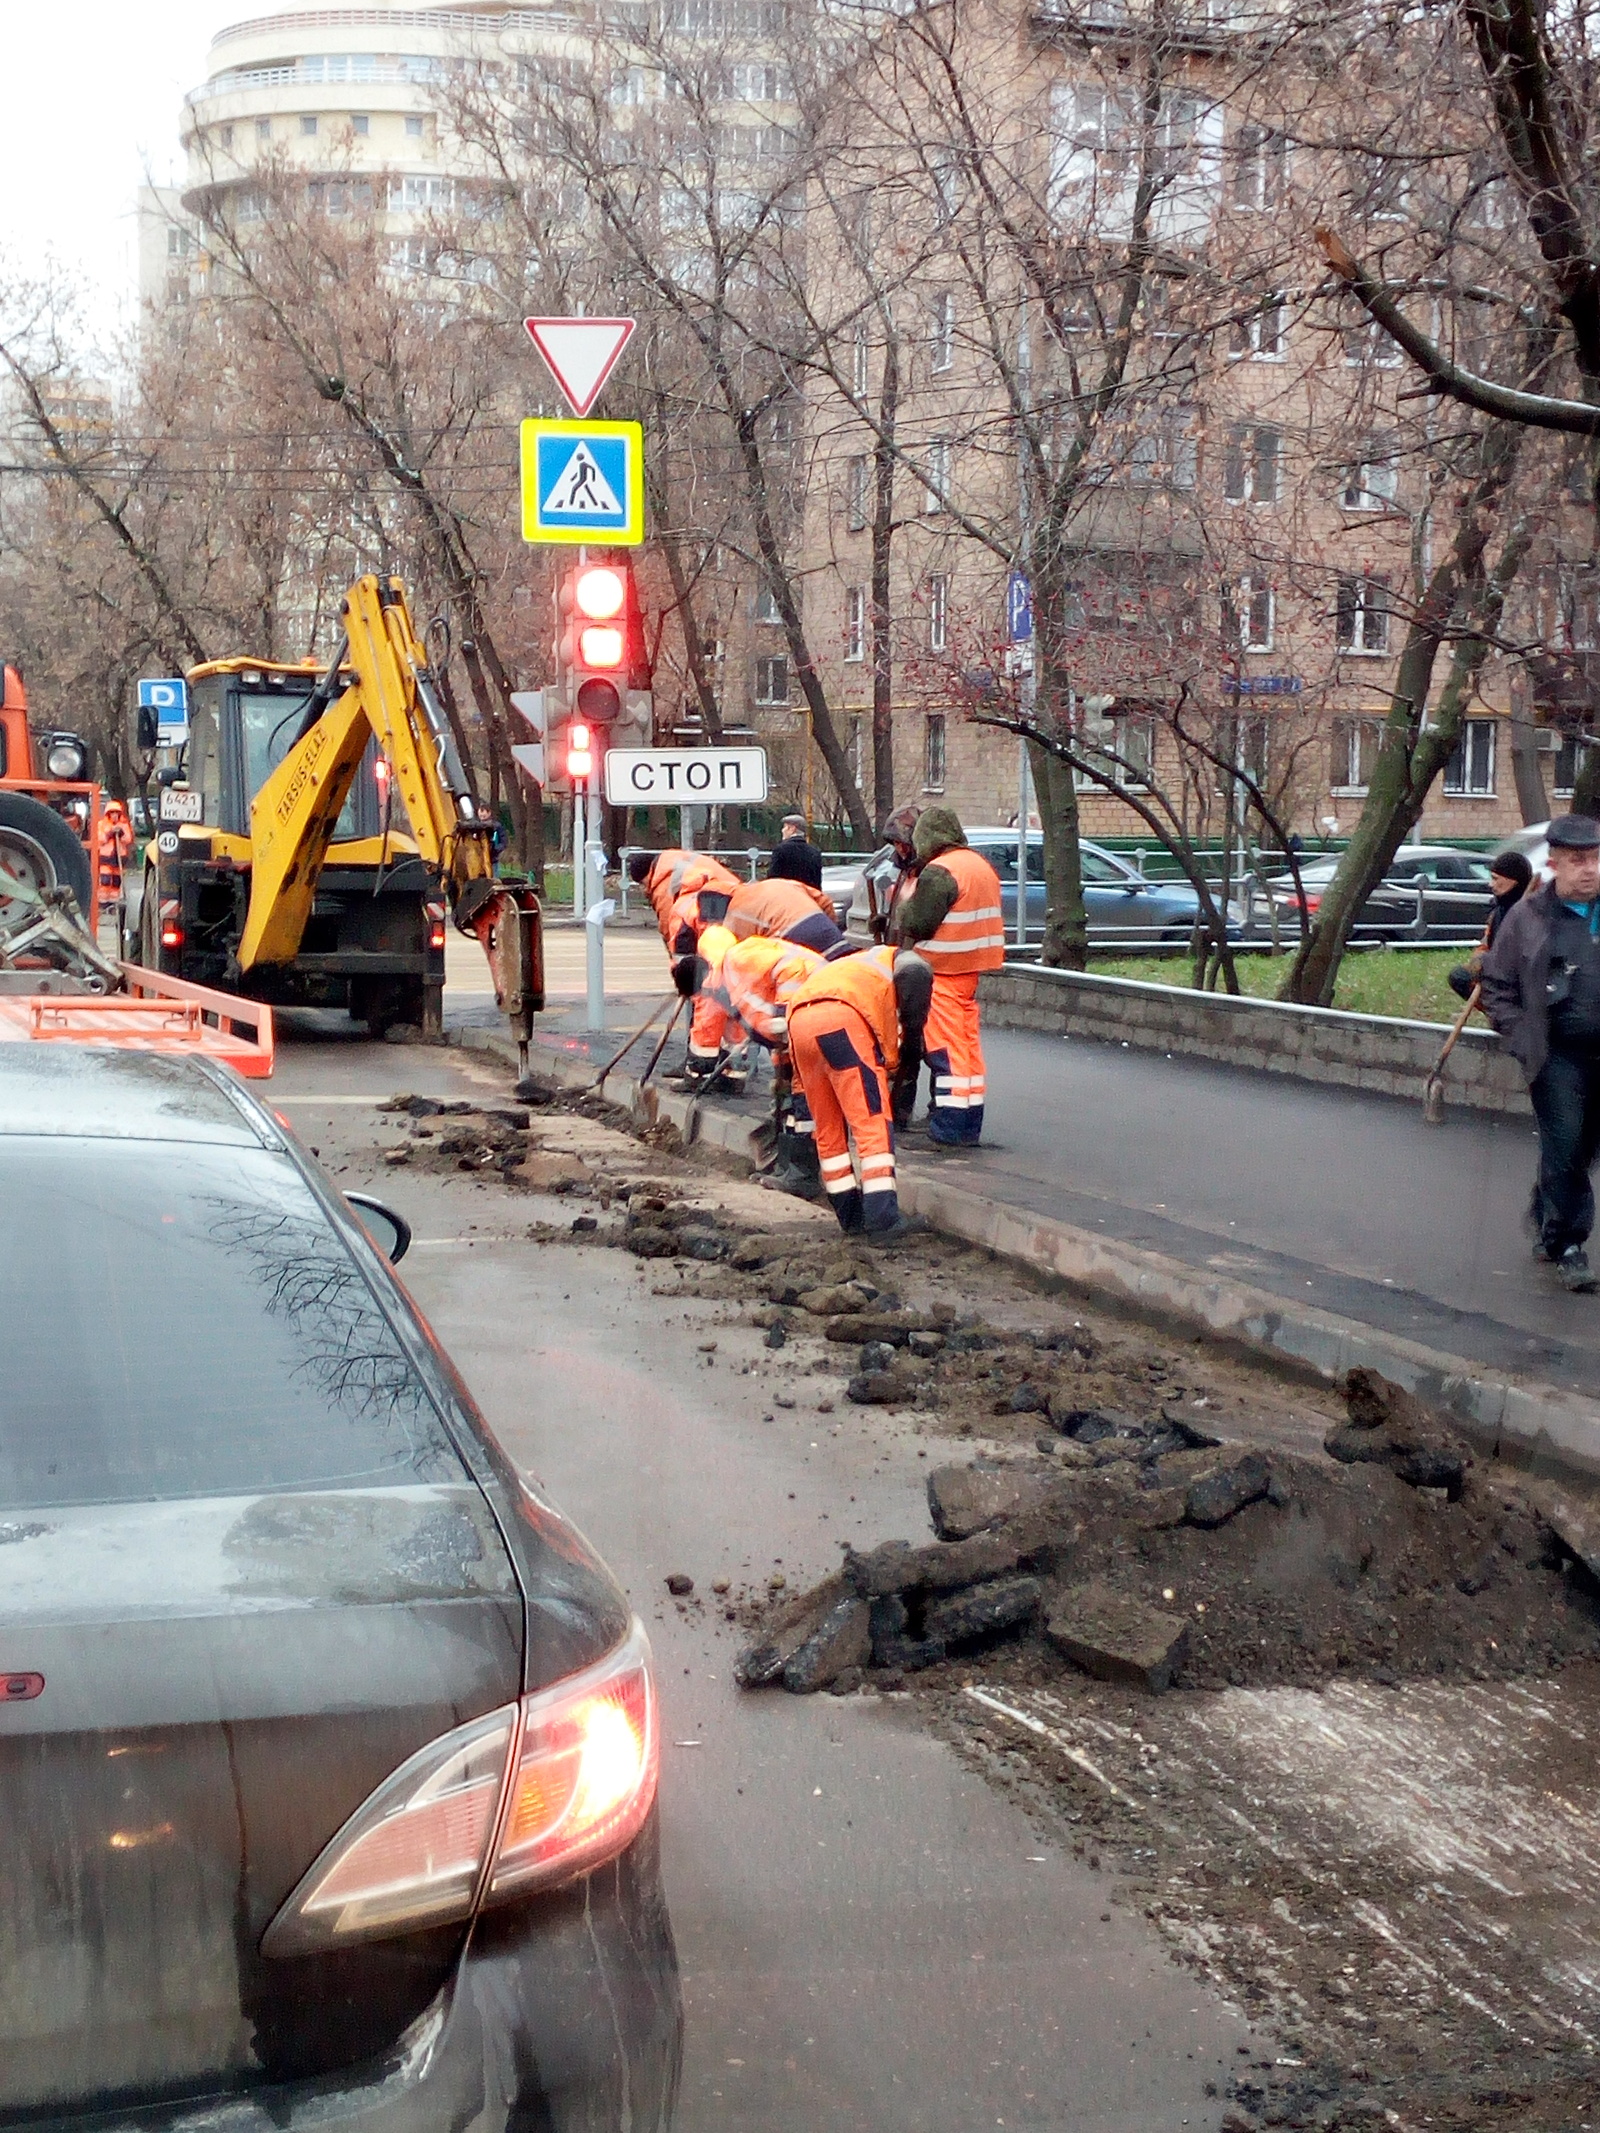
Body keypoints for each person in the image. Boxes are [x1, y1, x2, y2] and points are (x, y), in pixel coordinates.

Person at [1481, 814, 1600, 1292]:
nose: (1589, 869)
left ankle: (1546, 1204)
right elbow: (1496, 985)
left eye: (1594, 858)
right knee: (1566, 1142)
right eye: (1577, 861)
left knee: (1579, 1151)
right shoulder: (1527, 918)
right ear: (1553, 864)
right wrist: (1521, 1036)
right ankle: (1567, 1244)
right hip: (1556, 1056)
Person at [787, 943, 933, 1239]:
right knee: (873, 1123)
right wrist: (896, 1066)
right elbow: (895, 1046)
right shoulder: (907, 973)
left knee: (828, 1128)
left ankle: (850, 1215)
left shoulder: (862, 964)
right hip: (841, 1023)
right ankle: (882, 1220)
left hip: (799, 1022)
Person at [889, 805, 1005, 1146]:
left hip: (941, 970)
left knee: (945, 1048)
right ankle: (968, 1122)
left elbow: (916, 922)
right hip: (971, 970)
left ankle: (949, 1126)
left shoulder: (941, 871)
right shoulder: (980, 866)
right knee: (967, 1049)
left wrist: (907, 897)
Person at [682, 932, 826, 1194]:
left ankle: (803, 1175)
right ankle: (790, 1167)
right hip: (800, 1024)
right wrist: (780, 1061)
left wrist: (784, 1015)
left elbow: (790, 968)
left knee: (804, 1098)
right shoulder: (729, 986)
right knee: (791, 1098)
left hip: (817, 1008)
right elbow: (766, 1021)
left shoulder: (739, 959)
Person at [1447, 850, 1533, 1003]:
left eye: (1495, 879)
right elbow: (1486, 945)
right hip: (1498, 976)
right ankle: (1499, 1015)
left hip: (1526, 982)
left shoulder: (1535, 912)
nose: (1490, 884)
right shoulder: (1497, 914)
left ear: (1513, 881)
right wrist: (1479, 962)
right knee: (1460, 977)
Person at [626, 847, 741, 959]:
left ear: (647, 875)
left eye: (642, 883)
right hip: (736, 894)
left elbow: (668, 923)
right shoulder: (672, 859)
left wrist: (676, 960)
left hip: (720, 903)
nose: (644, 888)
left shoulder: (663, 884)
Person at [722, 872, 843, 954]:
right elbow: (824, 900)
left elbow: (743, 951)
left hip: (788, 937)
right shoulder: (778, 883)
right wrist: (830, 927)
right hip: (822, 924)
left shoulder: (735, 911)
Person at [97, 800, 134, 918]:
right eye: (112, 813)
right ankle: (103, 903)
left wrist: (121, 832)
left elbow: (128, 839)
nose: (114, 815)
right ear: (108, 814)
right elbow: (100, 839)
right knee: (105, 880)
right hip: (106, 857)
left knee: (117, 881)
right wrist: (110, 833)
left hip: (119, 857)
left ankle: (114, 903)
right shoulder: (102, 825)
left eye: (116, 813)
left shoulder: (124, 825)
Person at [769, 813, 824, 891]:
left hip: (786, 896)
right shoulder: (815, 852)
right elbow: (817, 883)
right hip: (807, 898)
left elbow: (773, 879)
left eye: (784, 827)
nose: (782, 830)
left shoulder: (781, 850)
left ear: (792, 829)